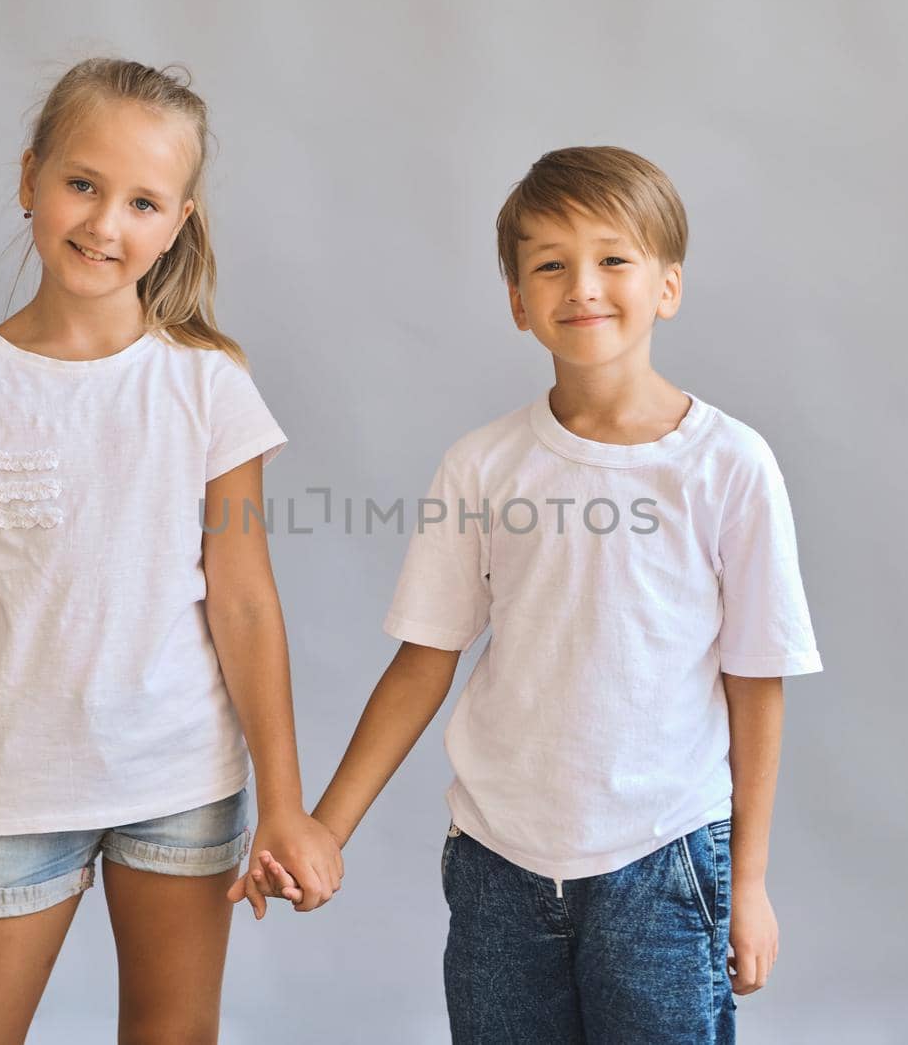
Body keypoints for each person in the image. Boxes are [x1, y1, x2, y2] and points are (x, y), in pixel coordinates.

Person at [238, 146, 823, 1043]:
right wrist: (325, 827)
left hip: (665, 863)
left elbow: (756, 682)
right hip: (498, 869)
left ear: (668, 285)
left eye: (612, 258)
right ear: (518, 302)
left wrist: (748, 883)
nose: (582, 284)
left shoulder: (728, 466)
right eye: (550, 264)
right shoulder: (483, 465)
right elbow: (423, 662)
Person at [0, 57, 340, 1044]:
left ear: (177, 221)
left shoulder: (208, 385)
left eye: (142, 201)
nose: (103, 223)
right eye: (81, 184)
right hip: (13, 786)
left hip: (180, 777)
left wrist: (287, 801)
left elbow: (245, 599)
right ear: (29, 179)